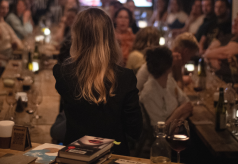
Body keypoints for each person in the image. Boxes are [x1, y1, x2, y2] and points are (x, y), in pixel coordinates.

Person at [53, 8, 142, 156]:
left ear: (77, 36)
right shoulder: (126, 77)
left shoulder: (62, 73)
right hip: (113, 155)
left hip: (76, 157)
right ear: (110, 37)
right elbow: (135, 131)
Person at [139, 46, 193, 126]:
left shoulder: (169, 81)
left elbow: (188, 105)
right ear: (170, 66)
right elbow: (159, 132)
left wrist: (176, 124)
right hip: (161, 138)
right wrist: (179, 112)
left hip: (175, 133)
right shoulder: (148, 94)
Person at [204, 12, 238, 83]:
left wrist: (210, 55)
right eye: (235, 21)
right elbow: (208, 50)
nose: (235, 24)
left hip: (231, 82)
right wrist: (213, 58)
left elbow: (224, 53)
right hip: (215, 77)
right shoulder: (229, 36)